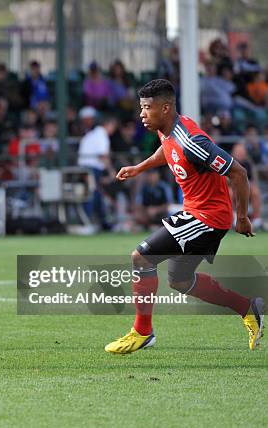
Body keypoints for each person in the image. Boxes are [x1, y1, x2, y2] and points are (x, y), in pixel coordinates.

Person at [105, 79, 264, 354]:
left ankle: (142, 332)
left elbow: (238, 173)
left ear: (165, 108)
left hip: (209, 217)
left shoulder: (192, 142)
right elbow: (167, 151)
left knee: (140, 257)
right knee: (179, 281)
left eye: (147, 108)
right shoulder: (166, 129)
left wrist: (242, 217)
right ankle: (248, 307)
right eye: (141, 108)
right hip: (194, 211)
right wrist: (139, 167)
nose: (141, 114)